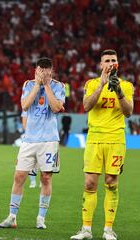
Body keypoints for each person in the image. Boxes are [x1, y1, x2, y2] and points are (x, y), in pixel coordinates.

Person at [70, 50, 134, 240]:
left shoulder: (126, 85)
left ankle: (108, 230)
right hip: (94, 139)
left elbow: (129, 112)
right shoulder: (91, 84)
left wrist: (119, 92)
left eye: (113, 60)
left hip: (115, 139)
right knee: (90, 183)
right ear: (101, 65)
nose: (110, 63)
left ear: (117, 64)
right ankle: (86, 230)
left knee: (111, 183)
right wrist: (101, 85)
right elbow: (87, 106)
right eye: (106, 60)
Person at [0, 58, 64, 230]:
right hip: (29, 140)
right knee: (19, 176)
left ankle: (41, 218)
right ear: (35, 70)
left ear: (51, 71)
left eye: (46, 70)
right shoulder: (27, 84)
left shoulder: (59, 86)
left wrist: (46, 85)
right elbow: (25, 105)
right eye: (40, 69)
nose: (43, 73)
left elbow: (56, 108)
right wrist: (37, 85)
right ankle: (12, 217)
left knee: (46, 178)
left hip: (49, 140)